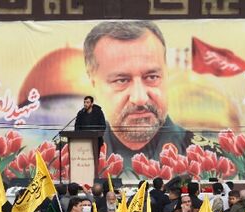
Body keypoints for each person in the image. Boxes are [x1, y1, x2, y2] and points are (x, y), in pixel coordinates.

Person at [83, 20, 193, 178]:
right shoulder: (66, 159)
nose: (140, 98)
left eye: (152, 77)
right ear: (93, 81)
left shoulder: (210, 156)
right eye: (121, 81)